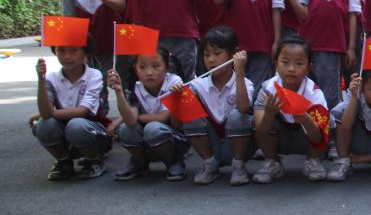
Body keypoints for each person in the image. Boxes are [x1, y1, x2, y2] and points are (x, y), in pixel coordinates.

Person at [282, 0, 360, 110]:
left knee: (329, 95)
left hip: (333, 48)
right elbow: (303, 15)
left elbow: (352, 17)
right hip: (306, 48)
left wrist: (350, 48)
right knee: (305, 90)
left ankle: (329, 124)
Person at [252, 37, 332, 183]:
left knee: (328, 120)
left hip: (304, 139)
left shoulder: (314, 93)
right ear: (276, 64)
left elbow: (318, 138)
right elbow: (260, 132)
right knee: (256, 119)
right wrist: (269, 115)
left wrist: (306, 119)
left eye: (299, 63)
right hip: (279, 137)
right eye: (285, 62)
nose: (291, 69)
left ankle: (313, 160)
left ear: (309, 67)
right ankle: (272, 162)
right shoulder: (267, 89)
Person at [184, 25, 255, 186]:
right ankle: (210, 164)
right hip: (213, 145)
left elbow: (244, 107)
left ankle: (238, 165)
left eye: (217, 54)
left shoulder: (244, 83)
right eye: (206, 55)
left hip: (237, 145)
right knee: (189, 113)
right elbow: (177, 121)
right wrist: (177, 96)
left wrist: (240, 71)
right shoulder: (197, 85)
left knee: (238, 116)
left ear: (233, 54)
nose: (211, 60)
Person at [31, 45, 110, 180]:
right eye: (61, 50)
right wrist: (41, 79)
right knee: (44, 124)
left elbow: (82, 111)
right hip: (65, 132)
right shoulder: (50, 78)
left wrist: (45, 114)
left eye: (74, 50)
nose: (67, 56)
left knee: (76, 125)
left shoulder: (94, 75)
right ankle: (64, 162)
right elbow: (46, 113)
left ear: (85, 53)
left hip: (93, 132)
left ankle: (94, 160)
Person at [109, 50, 189, 181]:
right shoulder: (135, 85)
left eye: (156, 66)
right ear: (135, 68)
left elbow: (163, 117)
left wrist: (134, 117)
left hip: (174, 137)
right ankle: (140, 162)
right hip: (148, 137)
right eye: (142, 67)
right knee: (125, 129)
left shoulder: (174, 82)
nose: (149, 72)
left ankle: (173, 161)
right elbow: (130, 122)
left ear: (167, 67)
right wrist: (119, 92)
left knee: (153, 128)